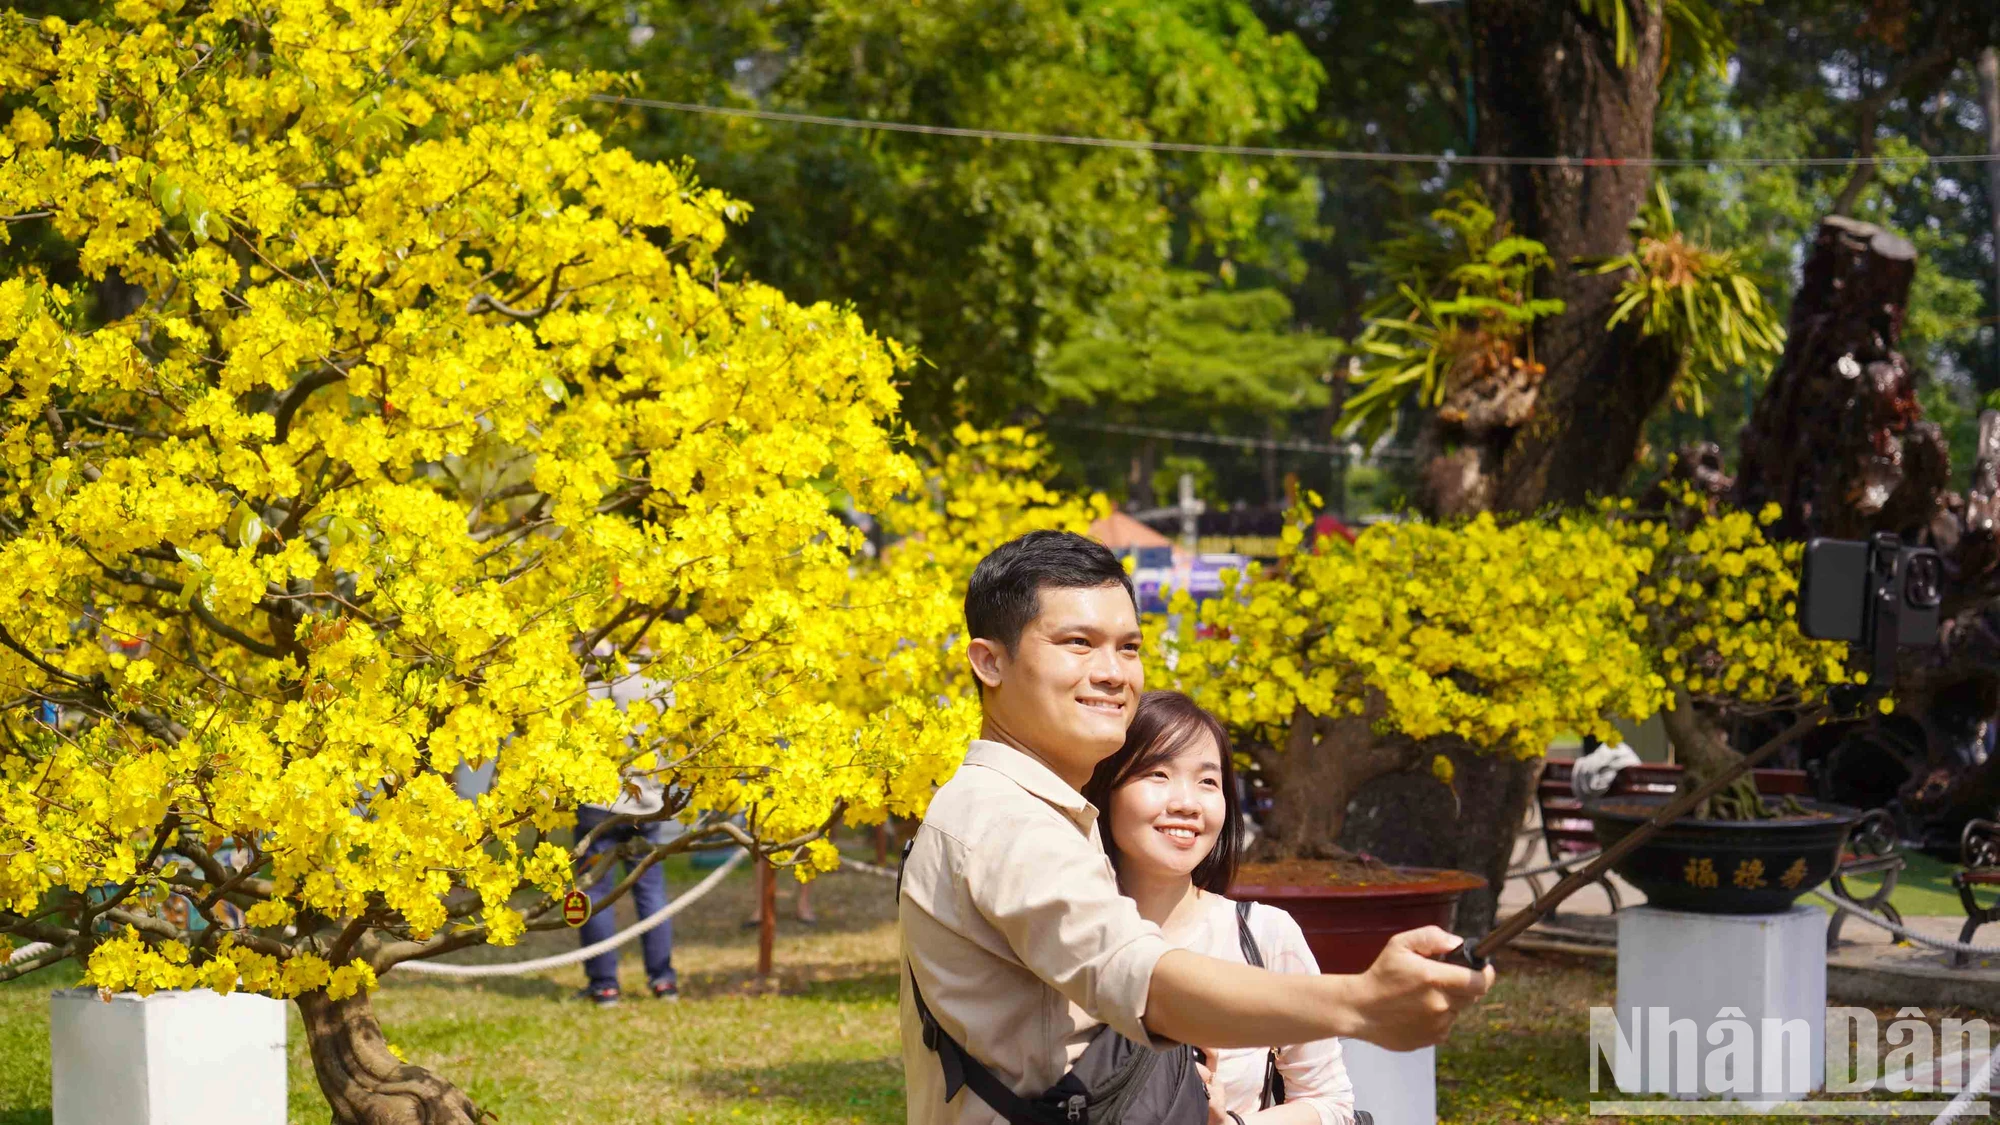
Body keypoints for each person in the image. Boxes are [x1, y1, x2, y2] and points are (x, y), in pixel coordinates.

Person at [898, 530, 1493, 1125]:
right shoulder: (1009, 821)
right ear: (989, 662)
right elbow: (1141, 980)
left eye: (1128, 647)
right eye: (1077, 643)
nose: (1112, 673)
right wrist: (1361, 1002)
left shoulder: (1025, 810)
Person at [1083, 691, 1355, 1125]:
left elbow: (1331, 1103)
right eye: (1157, 773)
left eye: (1208, 782)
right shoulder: (1062, 931)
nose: (1187, 803)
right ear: (1105, 788)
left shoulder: (1265, 937)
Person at [574, 668, 680, 1006]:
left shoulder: (602, 670)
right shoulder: (666, 670)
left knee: (595, 890)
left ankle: (604, 985)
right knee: (651, 892)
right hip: (646, 804)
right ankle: (663, 980)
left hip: (599, 804)